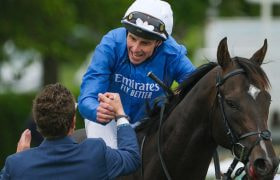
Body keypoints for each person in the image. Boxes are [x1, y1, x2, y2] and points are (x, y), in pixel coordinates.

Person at [78, 0, 196, 147]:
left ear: (159, 43)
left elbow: (198, 87)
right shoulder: (110, 44)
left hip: (148, 123)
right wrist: (96, 110)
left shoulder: (173, 55)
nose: (135, 48)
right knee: (108, 158)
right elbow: (86, 97)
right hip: (108, 120)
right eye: (132, 38)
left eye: (145, 43)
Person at [0, 83, 140, 180]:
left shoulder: (16, 164)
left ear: (38, 123)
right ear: (73, 122)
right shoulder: (95, 152)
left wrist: (21, 157)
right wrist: (120, 114)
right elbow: (132, 158)